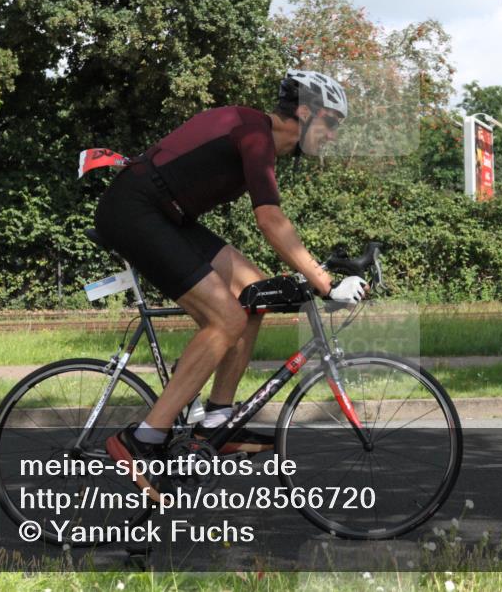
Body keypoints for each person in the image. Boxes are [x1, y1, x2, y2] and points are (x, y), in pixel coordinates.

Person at [94, 70, 368, 497]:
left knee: (255, 293)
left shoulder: (261, 142)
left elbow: (273, 225)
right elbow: (270, 220)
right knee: (225, 318)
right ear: (304, 112)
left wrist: (314, 277)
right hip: (135, 210)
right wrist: (325, 282)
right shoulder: (255, 135)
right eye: (331, 122)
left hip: (167, 216)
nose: (333, 135)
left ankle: (218, 420)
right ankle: (141, 439)